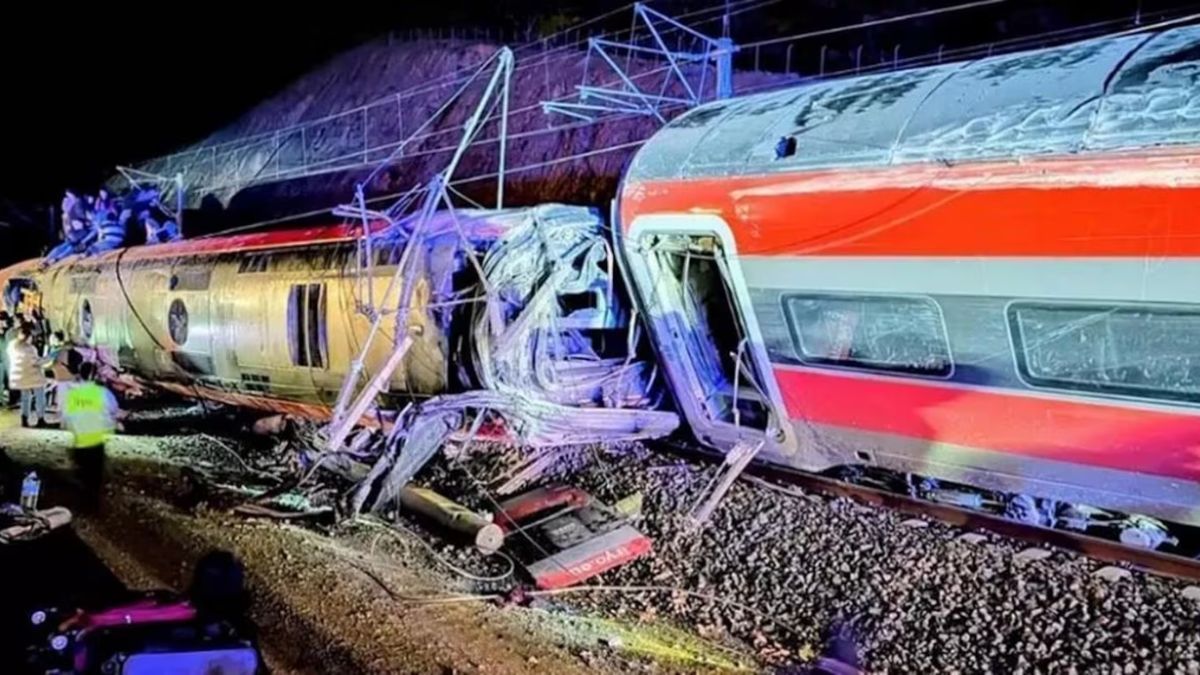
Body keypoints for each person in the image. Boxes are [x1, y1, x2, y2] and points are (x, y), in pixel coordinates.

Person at [63, 361, 118, 508]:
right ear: (95, 375)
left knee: (81, 475)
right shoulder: (102, 393)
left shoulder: (73, 395)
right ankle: (92, 505)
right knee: (94, 478)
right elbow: (113, 411)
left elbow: (65, 417)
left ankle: (81, 503)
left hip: (79, 442)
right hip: (96, 442)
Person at [6, 323, 48, 427]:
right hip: (32, 376)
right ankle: (40, 419)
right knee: (40, 396)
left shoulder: (12, 346)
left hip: (20, 377)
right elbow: (36, 362)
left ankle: (24, 419)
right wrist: (49, 358)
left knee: (25, 397)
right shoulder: (29, 348)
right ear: (28, 337)